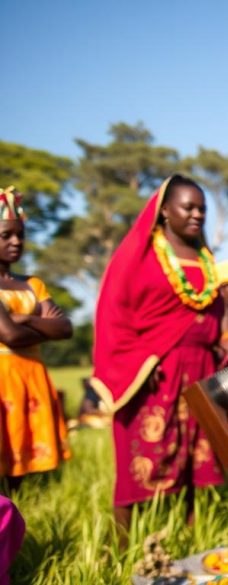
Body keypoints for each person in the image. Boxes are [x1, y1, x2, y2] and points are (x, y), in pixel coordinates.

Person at [91, 174, 228, 532]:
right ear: (164, 212)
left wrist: (227, 343)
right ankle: (123, 548)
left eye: (202, 209)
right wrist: (137, 361)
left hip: (201, 367)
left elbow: (212, 316)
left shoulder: (205, 258)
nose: (197, 215)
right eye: (188, 207)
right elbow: (115, 311)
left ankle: (192, 534)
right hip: (153, 370)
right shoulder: (139, 255)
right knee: (142, 455)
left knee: (195, 455)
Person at [0, 186, 72, 489]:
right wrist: (41, 325)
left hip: (33, 377)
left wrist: (25, 318)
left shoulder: (32, 284)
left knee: (22, 469)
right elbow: (10, 336)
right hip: (4, 380)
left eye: (21, 235)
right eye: (7, 235)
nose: (16, 241)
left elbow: (66, 328)